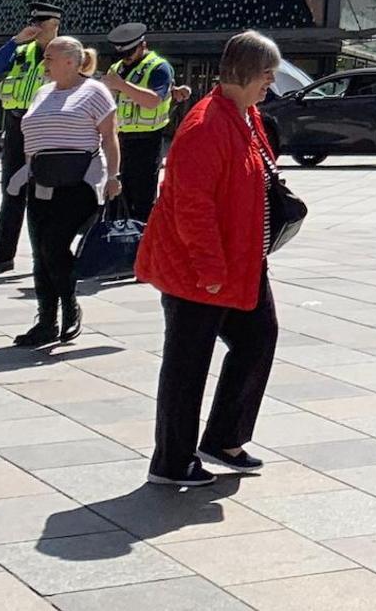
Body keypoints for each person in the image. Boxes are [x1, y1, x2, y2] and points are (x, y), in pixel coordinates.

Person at [136, 31, 285, 488]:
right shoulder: (205, 125)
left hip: (240, 260)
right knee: (187, 362)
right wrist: (210, 270)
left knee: (258, 338)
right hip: (202, 269)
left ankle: (223, 437)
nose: (271, 83)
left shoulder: (245, 115)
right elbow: (191, 206)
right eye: (267, 74)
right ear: (245, 72)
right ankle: (172, 460)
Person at [8, 35, 123, 348]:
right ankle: (46, 320)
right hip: (41, 181)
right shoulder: (43, 92)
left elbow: (110, 137)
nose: (45, 63)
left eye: (50, 57)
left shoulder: (94, 91)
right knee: (40, 253)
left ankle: (70, 306)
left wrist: (113, 175)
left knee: (53, 246)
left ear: (71, 62)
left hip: (78, 183)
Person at [0, 2, 64, 277]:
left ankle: (45, 257)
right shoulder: (21, 50)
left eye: (42, 23)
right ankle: (3, 256)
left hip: (47, 128)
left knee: (45, 196)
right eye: (34, 23)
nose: (36, 28)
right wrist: (14, 41)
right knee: (11, 192)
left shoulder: (65, 52)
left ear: (54, 25)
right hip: (17, 123)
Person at [98, 24, 174, 221]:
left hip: (146, 143)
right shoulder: (116, 68)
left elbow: (153, 100)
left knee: (141, 201)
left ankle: (140, 243)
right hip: (120, 139)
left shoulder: (159, 67)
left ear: (143, 45)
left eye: (131, 52)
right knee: (115, 197)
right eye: (123, 53)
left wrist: (121, 85)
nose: (127, 57)